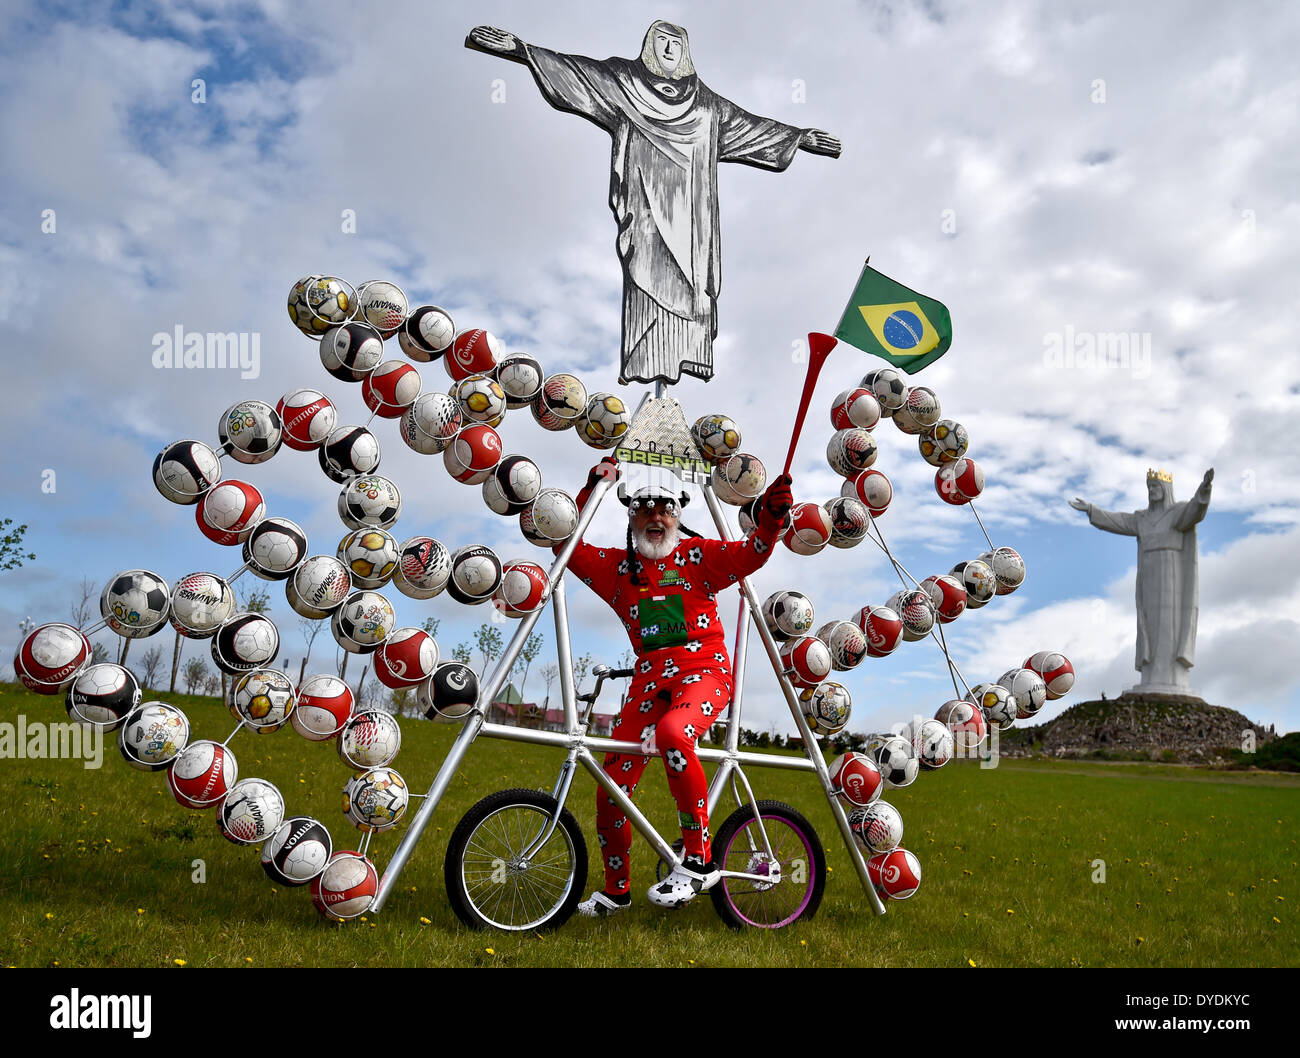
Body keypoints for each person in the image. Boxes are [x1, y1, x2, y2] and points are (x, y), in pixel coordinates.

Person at [465, 21, 840, 385]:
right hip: (645, 207)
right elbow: (576, 73)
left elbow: (750, 126)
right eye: (661, 40)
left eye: (677, 44)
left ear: (687, 53)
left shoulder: (708, 104)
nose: (669, 49)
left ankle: (682, 360)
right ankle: (648, 364)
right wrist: (523, 52)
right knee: (646, 275)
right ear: (649, 46)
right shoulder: (623, 82)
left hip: (693, 219)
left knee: (691, 290)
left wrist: (799, 137)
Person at [560, 458, 792, 913]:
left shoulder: (698, 555)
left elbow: (753, 553)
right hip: (648, 685)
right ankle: (617, 891)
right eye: (644, 508)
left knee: (672, 735)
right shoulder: (618, 570)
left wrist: (771, 518)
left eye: (665, 508)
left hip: (704, 673)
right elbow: (565, 545)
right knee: (610, 788)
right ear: (631, 516)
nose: (655, 516)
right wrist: (591, 489)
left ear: (679, 514)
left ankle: (700, 861)